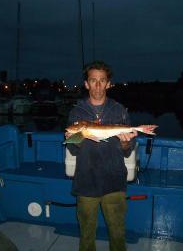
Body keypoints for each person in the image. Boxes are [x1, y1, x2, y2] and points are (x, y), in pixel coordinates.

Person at [65, 61, 137, 251]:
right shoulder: (77, 113)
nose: (97, 85)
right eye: (93, 81)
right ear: (86, 84)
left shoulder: (119, 110)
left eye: (102, 80)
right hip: (86, 181)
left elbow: (128, 149)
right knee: (87, 234)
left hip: (114, 181)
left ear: (108, 84)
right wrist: (73, 139)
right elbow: (73, 150)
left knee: (117, 233)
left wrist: (125, 141)